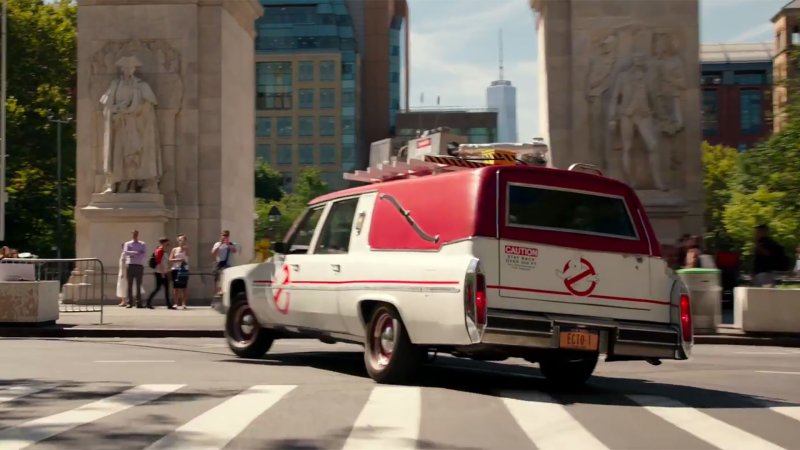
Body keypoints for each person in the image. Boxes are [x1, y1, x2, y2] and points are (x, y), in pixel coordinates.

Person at [145, 237, 175, 309]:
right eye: (167, 242)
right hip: (159, 273)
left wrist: (168, 270)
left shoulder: (164, 251)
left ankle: (169, 304)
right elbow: (159, 263)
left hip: (164, 272)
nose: (168, 244)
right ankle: (148, 302)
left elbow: (165, 262)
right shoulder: (160, 250)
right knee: (157, 288)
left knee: (166, 288)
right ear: (163, 243)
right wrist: (162, 274)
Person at [123, 230, 147, 308]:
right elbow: (126, 252)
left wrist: (133, 254)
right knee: (129, 285)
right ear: (132, 235)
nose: (135, 235)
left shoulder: (142, 244)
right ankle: (129, 302)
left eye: (136, 234)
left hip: (139, 265)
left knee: (138, 285)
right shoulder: (128, 244)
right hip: (130, 265)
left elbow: (143, 254)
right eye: (133, 234)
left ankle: (138, 302)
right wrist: (135, 253)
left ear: (138, 235)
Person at [211, 230, 238, 294]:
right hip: (219, 264)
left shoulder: (231, 244)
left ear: (228, 236)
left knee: (226, 280)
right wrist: (220, 244)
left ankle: (224, 292)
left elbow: (234, 251)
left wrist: (228, 244)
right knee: (217, 280)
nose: (224, 236)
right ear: (221, 235)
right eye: (223, 235)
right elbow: (213, 253)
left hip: (227, 265)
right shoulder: (217, 244)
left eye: (226, 235)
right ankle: (217, 293)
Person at [169, 234, 190, 309]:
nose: (181, 241)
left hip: (184, 269)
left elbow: (187, 258)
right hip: (175, 269)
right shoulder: (174, 249)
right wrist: (178, 259)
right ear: (177, 241)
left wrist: (184, 249)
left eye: (183, 240)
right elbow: (170, 259)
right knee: (176, 287)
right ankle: (176, 303)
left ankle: (184, 303)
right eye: (180, 240)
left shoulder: (186, 249)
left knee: (184, 287)